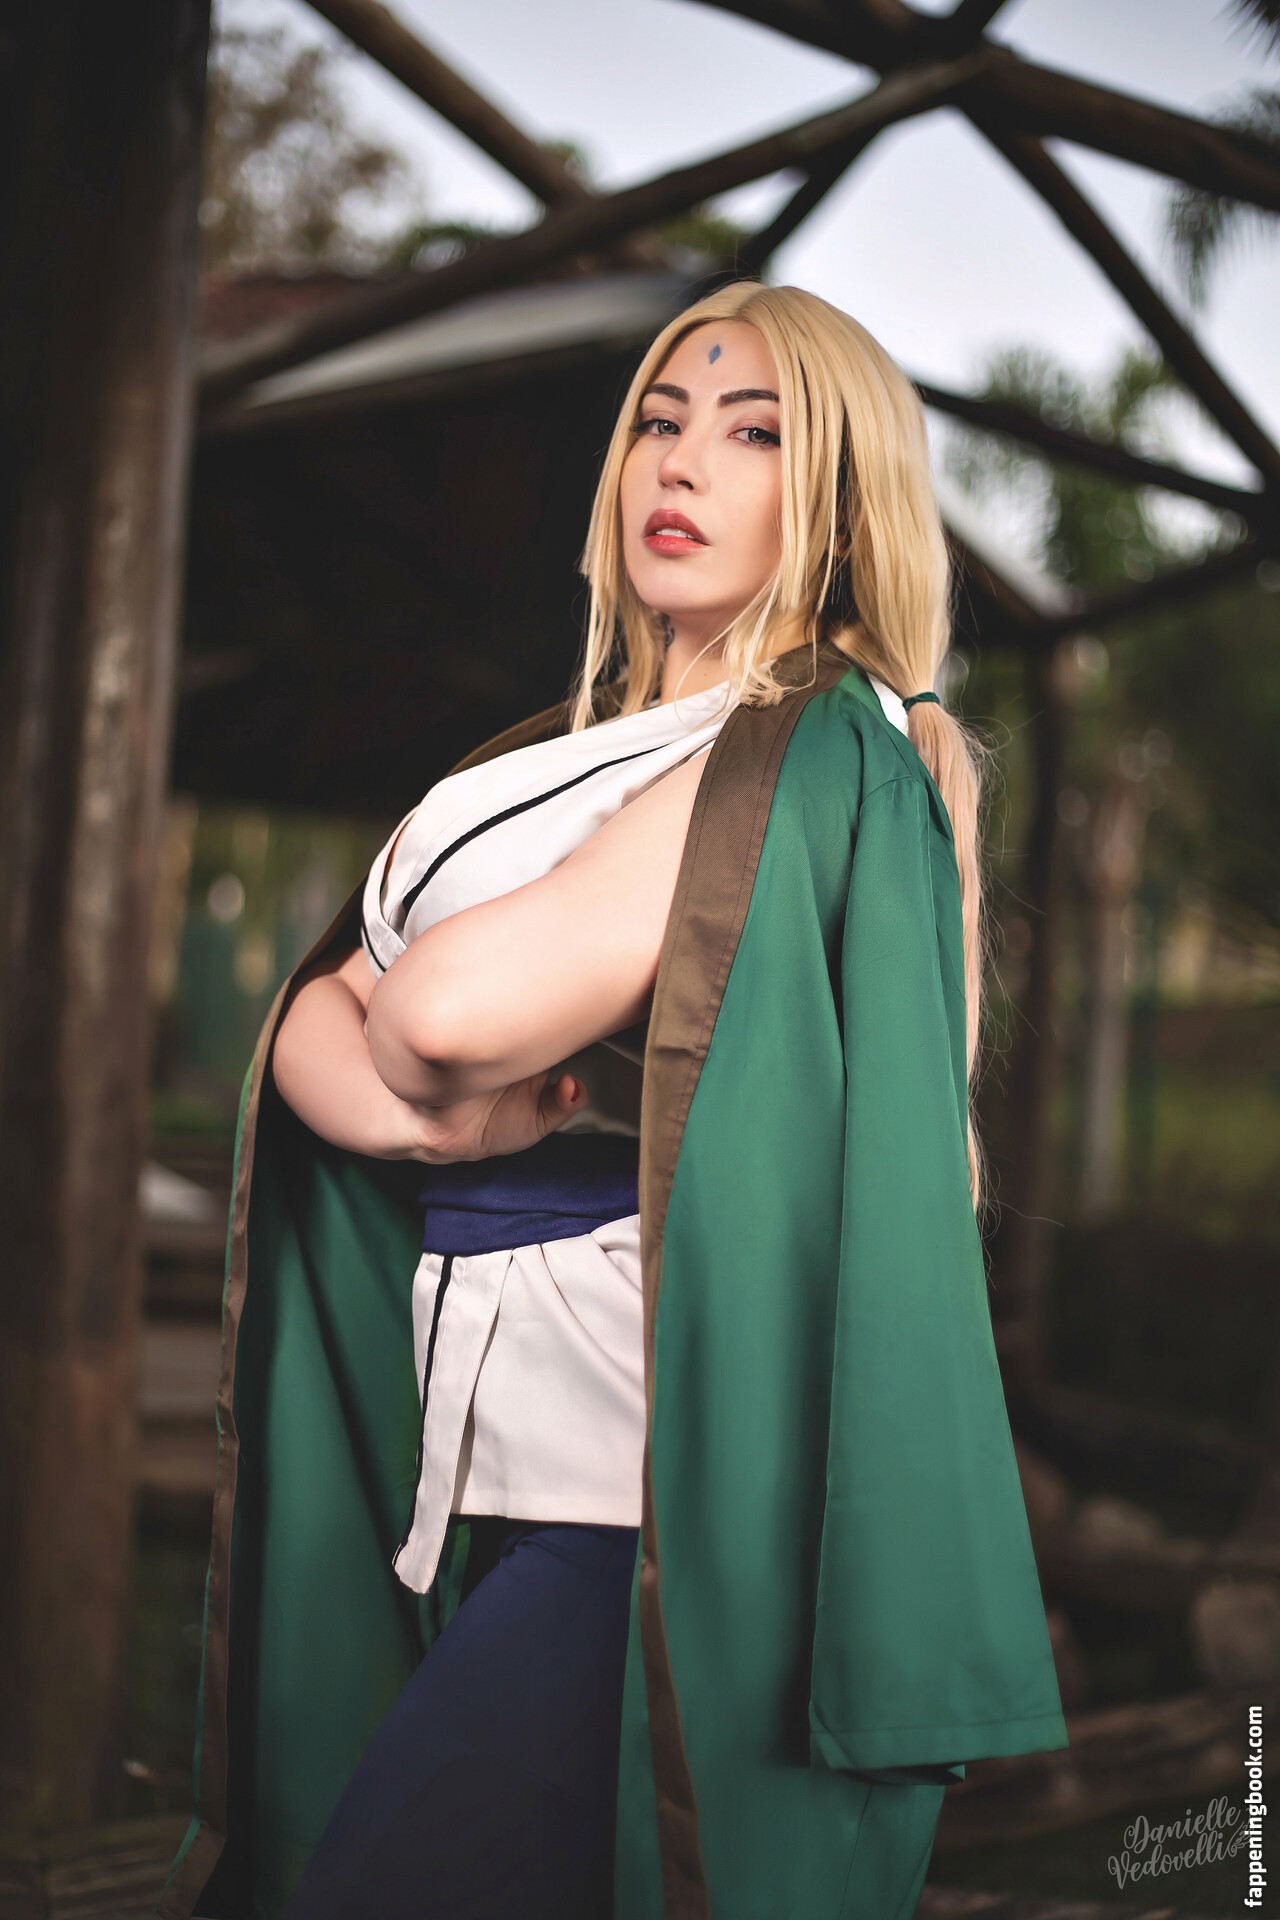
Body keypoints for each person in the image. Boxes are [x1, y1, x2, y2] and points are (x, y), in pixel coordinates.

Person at [163, 282, 1067, 1920]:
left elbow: (426, 1008)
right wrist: (420, 1120)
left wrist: (411, 1059)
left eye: (754, 432)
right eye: (662, 418)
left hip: (641, 1487)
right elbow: (311, 1023)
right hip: (471, 1459)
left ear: (839, 505)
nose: (684, 460)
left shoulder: (802, 748)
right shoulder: (566, 748)